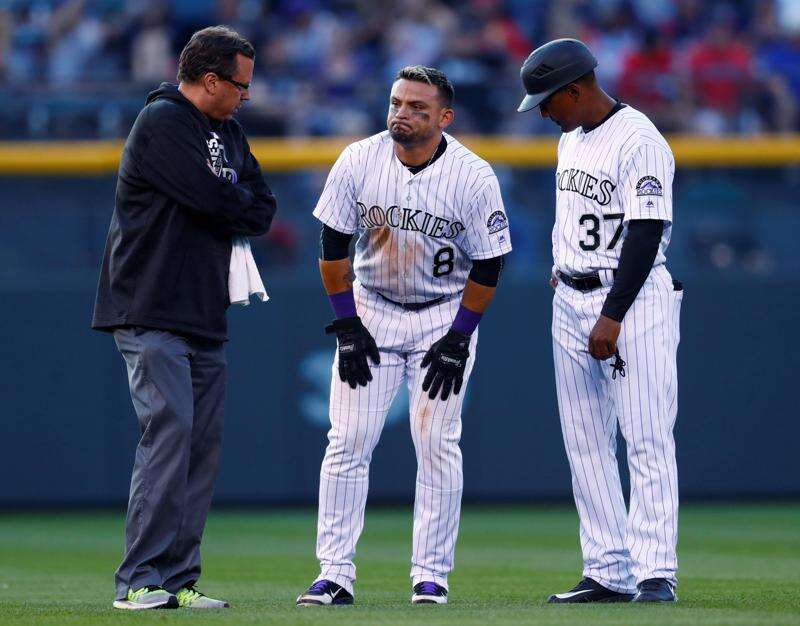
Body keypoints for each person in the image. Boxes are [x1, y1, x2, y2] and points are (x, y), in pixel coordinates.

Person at [296, 65, 511, 606]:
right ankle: (334, 573)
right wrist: (346, 324)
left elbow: (489, 265)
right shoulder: (359, 159)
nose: (402, 114)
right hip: (370, 306)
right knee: (347, 441)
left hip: (444, 311)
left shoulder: (473, 175)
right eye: (397, 103)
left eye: (417, 107)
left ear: (445, 117)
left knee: (437, 443)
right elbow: (331, 247)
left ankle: (431, 575)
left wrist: (460, 337)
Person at [91, 26, 277, 610]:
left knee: (199, 447)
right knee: (168, 434)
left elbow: (261, 206)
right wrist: (231, 197)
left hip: (203, 313)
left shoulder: (228, 131)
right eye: (240, 85)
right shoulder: (164, 121)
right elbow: (217, 200)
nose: (247, 95)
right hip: (149, 307)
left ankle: (177, 580)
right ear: (211, 79)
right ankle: (139, 580)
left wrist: (231, 198)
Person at [518, 39, 682, 604]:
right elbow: (584, 218)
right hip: (572, 297)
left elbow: (645, 233)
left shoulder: (641, 139)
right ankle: (608, 569)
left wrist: (610, 315)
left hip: (630, 299)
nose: (541, 111)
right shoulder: (570, 138)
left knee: (645, 435)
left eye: (546, 99)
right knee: (585, 442)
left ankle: (656, 570)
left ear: (576, 89)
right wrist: (567, 266)